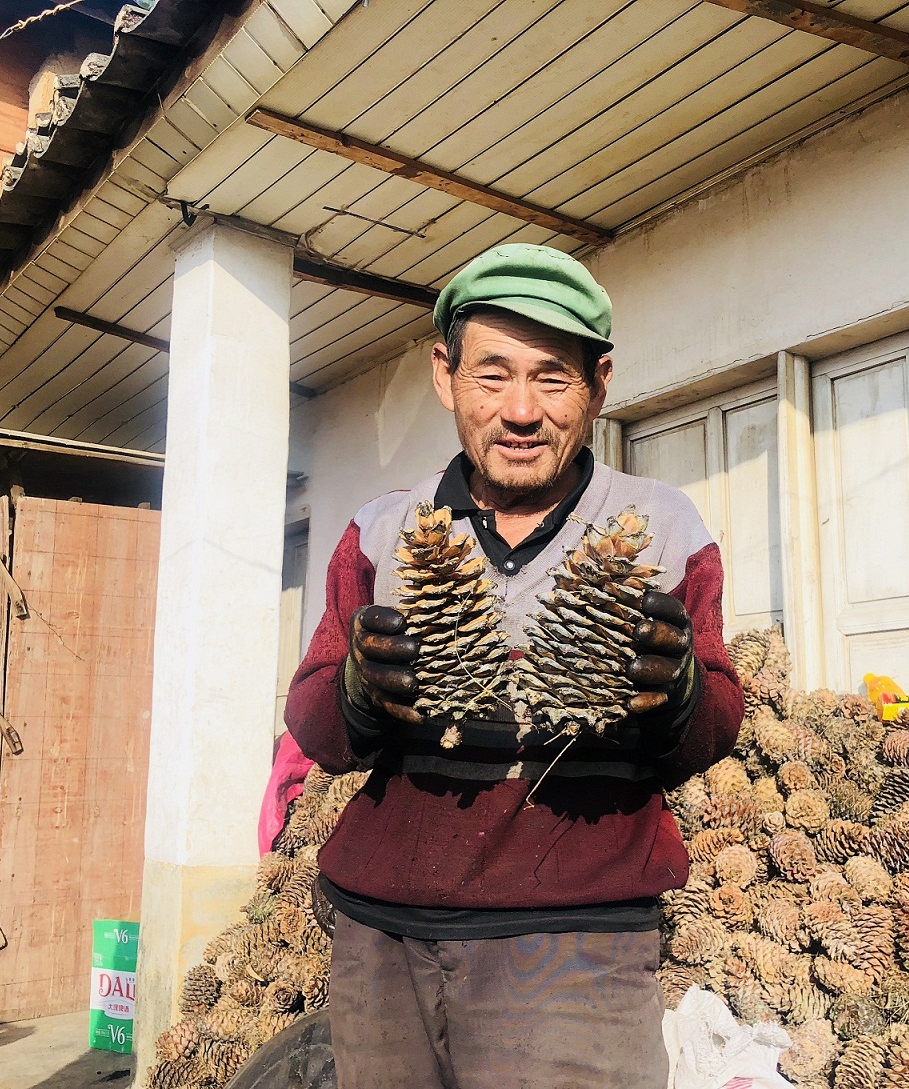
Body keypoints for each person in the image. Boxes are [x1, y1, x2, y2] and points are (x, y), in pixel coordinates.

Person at [285, 243, 744, 1089]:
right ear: (445, 374)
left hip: (577, 949)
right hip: (384, 941)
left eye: (552, 378)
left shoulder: (663, 526)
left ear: (599, 384)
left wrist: (681, 694)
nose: (521, 411)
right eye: (492, 376)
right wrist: (354, 690)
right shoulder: (384, 530)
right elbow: (314, 720)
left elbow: (713, 722)